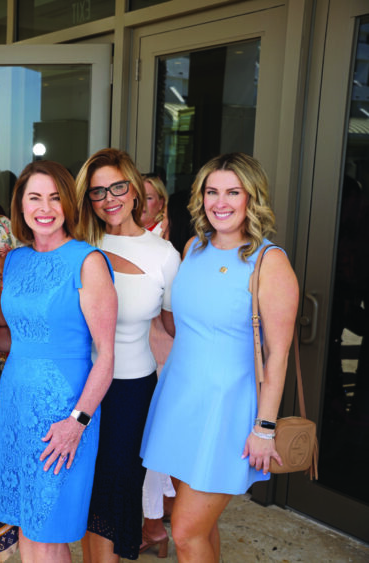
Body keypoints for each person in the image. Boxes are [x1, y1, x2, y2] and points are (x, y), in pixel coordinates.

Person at [140, 153, 299, 563]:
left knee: (187, 531)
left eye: (233, 192)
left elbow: (277, 355)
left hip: (227, 410)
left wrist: (264, 427)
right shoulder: (194, 246)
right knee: (200, 527)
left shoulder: (270, 261)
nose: (221, 202)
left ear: (252, 198)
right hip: (180, 402)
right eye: (212, 191)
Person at [0, 160, 116, 562]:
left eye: (54, 197)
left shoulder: (88, 261)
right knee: (28, 529)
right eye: (34, 197)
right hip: (15, 406)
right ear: (21, 205)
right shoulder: (15, 260)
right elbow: (14, 335)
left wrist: (76, 422)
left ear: (68, 204)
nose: (44, 208)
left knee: (48, 532)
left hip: (63, 414)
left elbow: (106, 356)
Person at [74, 149, 179, 562]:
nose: (109, 198)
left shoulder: (165, 256)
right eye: (98, 191)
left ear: (135, 191)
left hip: (131, 392)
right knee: (82, 491)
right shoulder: (77, 244)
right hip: (75, 384)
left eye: (118, 187)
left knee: (115, 493)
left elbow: (176, 330)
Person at [141, 173, 169, 239]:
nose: (141, 203)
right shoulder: (121, 230)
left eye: (148, 198)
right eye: (138, 197)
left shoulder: (166, 233)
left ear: (161, 203)